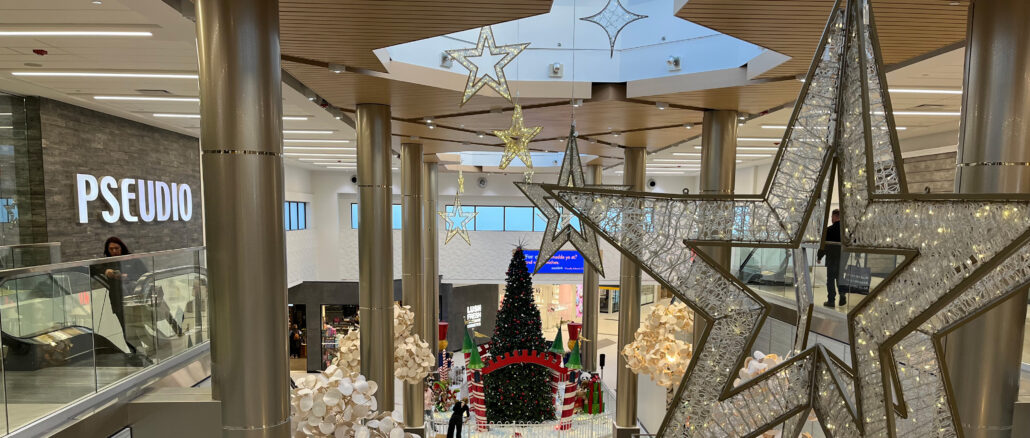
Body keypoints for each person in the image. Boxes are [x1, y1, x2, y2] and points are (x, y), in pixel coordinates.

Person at [91, 237, 149, 357]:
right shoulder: (106, 262)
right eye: (111, 249)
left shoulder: (132, 260)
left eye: (116, 248)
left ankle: (144, 351)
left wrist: (128, 277)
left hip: (135, 299)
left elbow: (145, 274)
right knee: (126, 330)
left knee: (139, 327)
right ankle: (136, 354)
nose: (114, 251)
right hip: (118, 301)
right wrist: (106, 271)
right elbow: (92, 268)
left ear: (122, 247)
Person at [817, 210, 846, 307]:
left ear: (835, 216)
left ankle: (831, 300)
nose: (831, 219)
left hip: (832, 258)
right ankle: (842, 294)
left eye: (832, 217)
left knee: (830, 279)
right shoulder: (846, 231)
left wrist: (819, 256)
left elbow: (823, 246)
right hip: (843, 258)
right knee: (839, 277)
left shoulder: (829, 230)